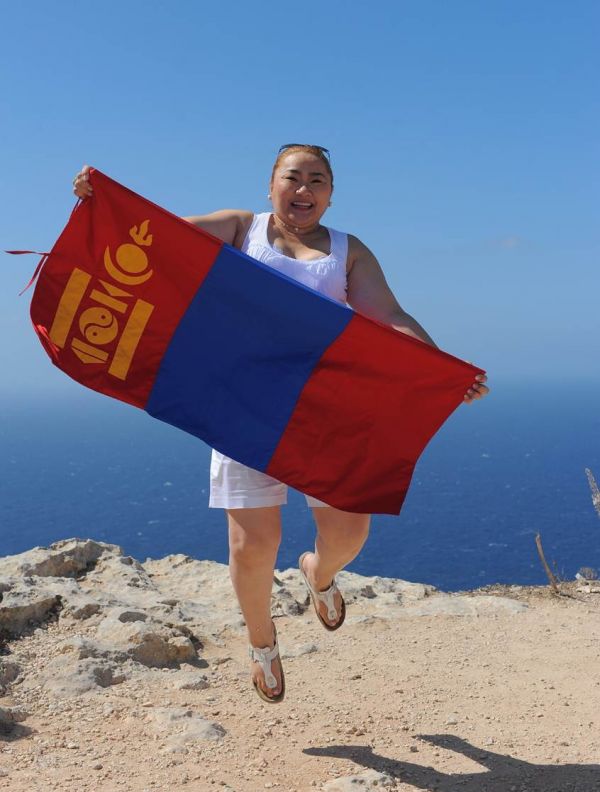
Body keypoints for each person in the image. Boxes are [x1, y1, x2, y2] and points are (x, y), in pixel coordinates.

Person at [72, 146, 489, 704]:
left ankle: (318, 574)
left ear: (331, 194)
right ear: (271, 185)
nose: (304, 188)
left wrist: (441, 369)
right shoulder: (241, 228)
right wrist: (101, 200)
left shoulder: (348, 251)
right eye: (293, 177)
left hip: (324, 410)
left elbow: (388, 316)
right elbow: (156, 234)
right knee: (253, 545)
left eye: (317, 180)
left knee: (349, 534)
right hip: (242, 407)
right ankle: (262, 642)